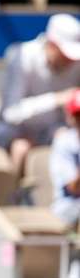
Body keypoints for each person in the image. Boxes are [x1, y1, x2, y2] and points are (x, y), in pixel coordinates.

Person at [0, 13, 80, 178]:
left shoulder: (75, 64)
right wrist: (57, 99)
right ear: (52, 45)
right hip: (14, 132)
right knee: (21, 148)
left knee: (67, 140)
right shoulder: (21, 55)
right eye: (66, 55)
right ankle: (13, 198)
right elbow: (11, 113)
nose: (71, 61)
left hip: (52, 131)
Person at [49, 89, 80, 229]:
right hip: (68, 207)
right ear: (70, 117)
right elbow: (74, 188)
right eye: (78, 115)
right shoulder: (64, 142)